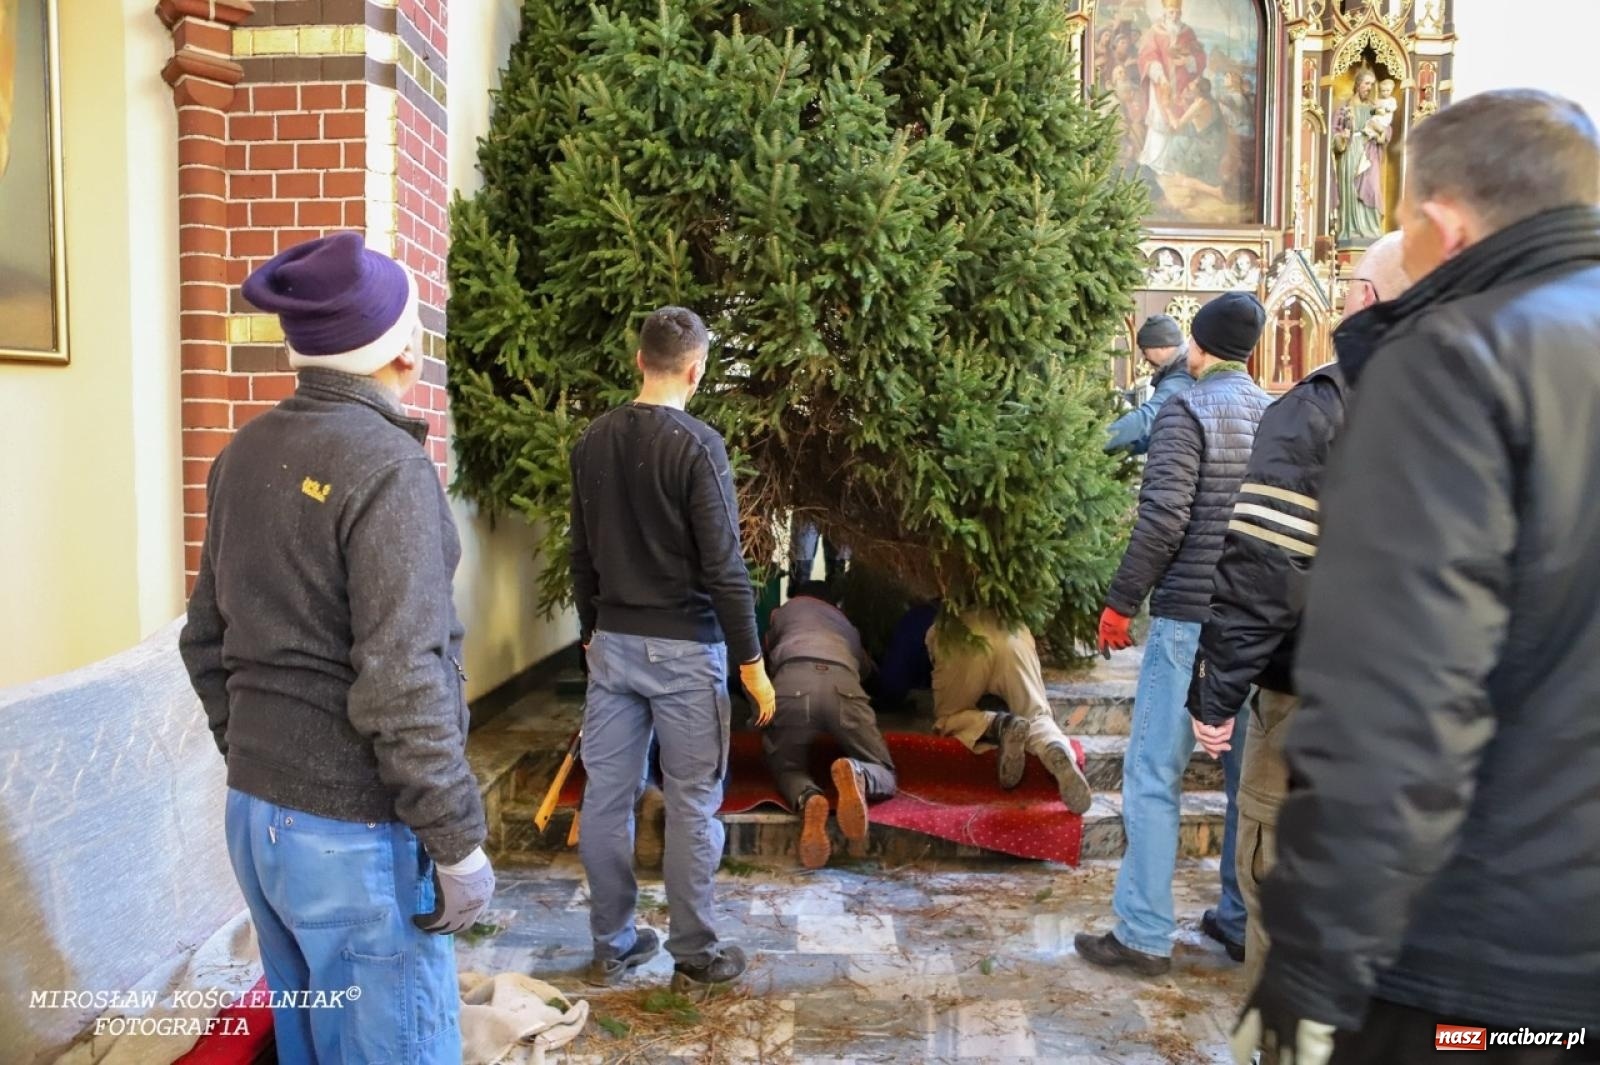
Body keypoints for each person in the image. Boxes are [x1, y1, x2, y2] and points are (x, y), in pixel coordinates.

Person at [1234, 89, 1600, 1064]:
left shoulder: (1454, 359)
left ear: (1440, 229)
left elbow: (1397, 704)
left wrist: (1308, 966)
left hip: (1467, 955)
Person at [180, 232, 491, 1063]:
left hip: (256, 824)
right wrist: (458, 842)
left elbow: (204, 640)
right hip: (352, 835)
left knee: (312, 1045)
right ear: (403, 348)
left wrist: (262, 762)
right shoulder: (389, 468)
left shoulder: (240, 454)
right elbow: (403, 681)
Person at [1186, 232, 1410, 989]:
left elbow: (1266, 566)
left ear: (1370, 301)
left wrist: (1216, 693)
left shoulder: (1324, 402)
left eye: (1350, 286)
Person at [569, 306, 777, 995]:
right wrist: (752, 663)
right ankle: (694, 953)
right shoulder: (698, 446)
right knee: (691, 799)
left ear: (639, 361)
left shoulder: (592, 441)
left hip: (614, 644)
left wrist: (588, 636)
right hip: (687, 650)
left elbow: (582, 553)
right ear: (696, 370)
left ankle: (613, 944)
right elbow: (724, 566)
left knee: (606, 796)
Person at [1078, 291, 1272, 976]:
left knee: (1154, 772)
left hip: (1190, 621)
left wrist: (1121, 601)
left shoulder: (1186, 408)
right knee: (1246, 782)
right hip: (1257, 629)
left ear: (1197, 343)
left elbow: (1163, 518)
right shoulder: (1273, 411)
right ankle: (1240, 919)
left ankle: (1143, 932)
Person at [762, 581, 897, 869]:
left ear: (798, 595)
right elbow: (866, 670)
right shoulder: (846, 624)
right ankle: (859, 773)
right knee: (884, 770)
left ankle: (808, 797)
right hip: (843, 682)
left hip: (793, 679)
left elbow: (764, 654)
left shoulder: (783, 612)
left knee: (787, 767)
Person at [928, 609, 1094, 813]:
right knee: (1035, 714)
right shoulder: (1013, 601)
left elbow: (896, 677)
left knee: (949, 717)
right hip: (1014, 634)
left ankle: (999, 724)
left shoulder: (931, 612)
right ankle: (1053, 743)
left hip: (961, 640)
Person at [1105, 314, 1194, 455]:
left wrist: (1099, 439)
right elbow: (1159, 432)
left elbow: (1147, 418)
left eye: (1145, 349)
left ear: (1162, 345)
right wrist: (1123, 449)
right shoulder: (1180, 369)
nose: (1144, 357)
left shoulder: (1181, 378)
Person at [1332, 68, 1391, 245]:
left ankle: (1371, 231)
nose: (1369, 88)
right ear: (1357, 84)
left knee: (1372, 188)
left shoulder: (1373, 109)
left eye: (1372, 85)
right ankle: (1350, 230)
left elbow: (1385, 125)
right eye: (1366, 83)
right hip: (1350, 152)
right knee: (1350, 192)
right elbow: (1334, 132)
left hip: (1369, 152)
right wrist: (1341, 137)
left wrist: (1380, 132)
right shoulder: (1345, 108)